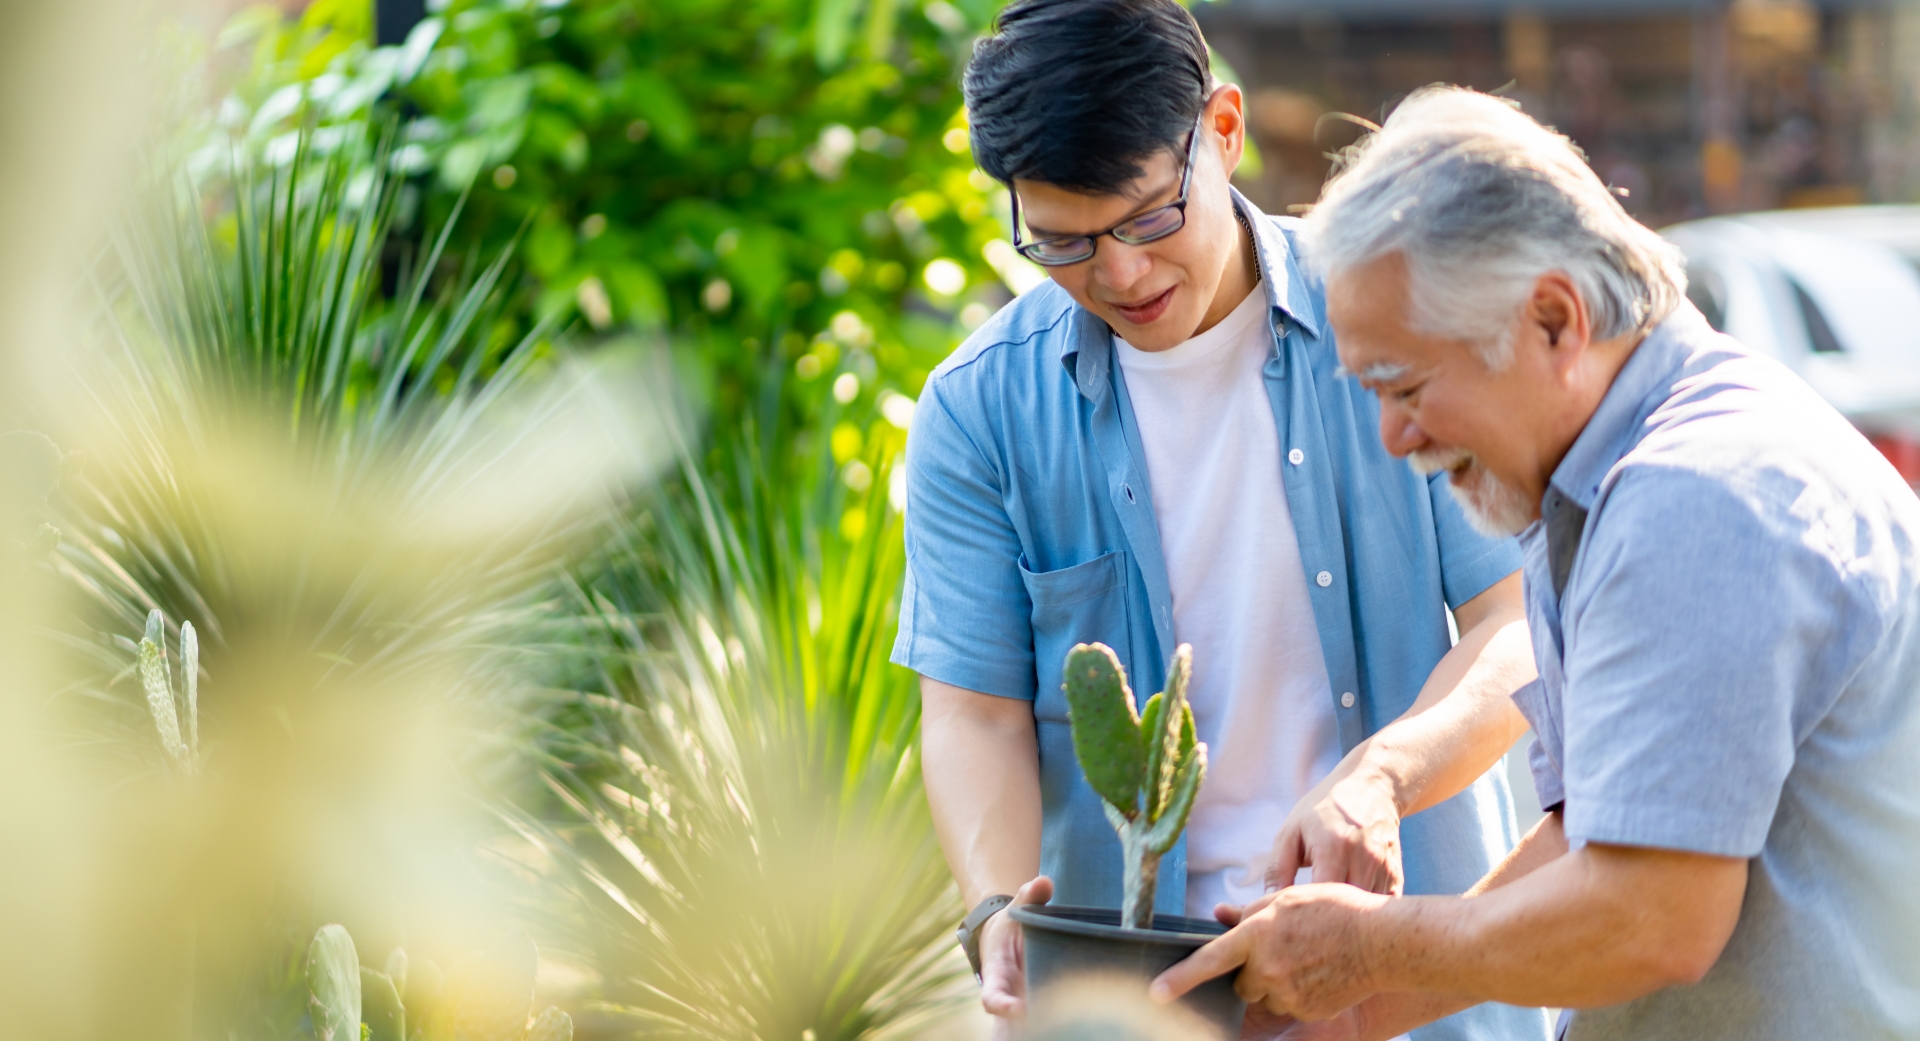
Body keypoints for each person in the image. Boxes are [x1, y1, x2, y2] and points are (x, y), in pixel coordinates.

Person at [1153, 85, 1920, 1040]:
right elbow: (1599, 833)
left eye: (1406, 384)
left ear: (1555, 318)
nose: (1393, 435)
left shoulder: (1694, 495)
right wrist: (1348, 1009)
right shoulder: (1599, 478)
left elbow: (1649, 915)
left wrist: (1373, 949)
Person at [895, 4, 1552, 1039]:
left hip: (1407, 977)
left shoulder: (1393, 318)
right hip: (1136, 1001)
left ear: (1226, 131)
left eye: (1149, 217)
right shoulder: (979, 409)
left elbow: (1515, 623)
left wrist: (1380, 781)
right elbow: (976, 710)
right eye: (1061, 241)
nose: (1118, 275)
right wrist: (993, 906)